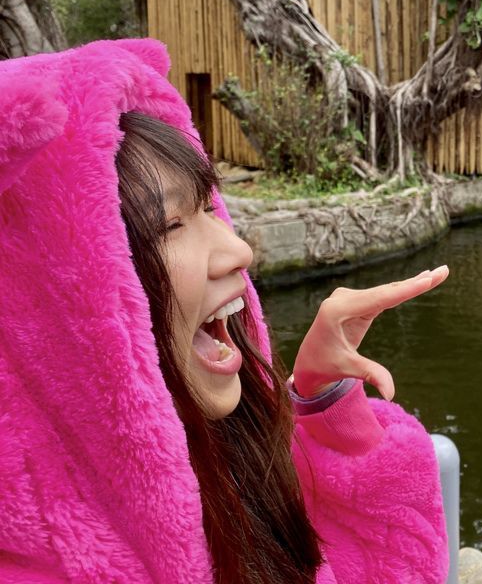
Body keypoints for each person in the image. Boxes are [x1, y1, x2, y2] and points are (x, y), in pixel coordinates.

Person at [0, 40, 449, 583]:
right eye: (169, 225)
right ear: (55, 309)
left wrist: (323, 399)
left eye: (209, 205)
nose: (240, 251)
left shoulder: (220, 465)